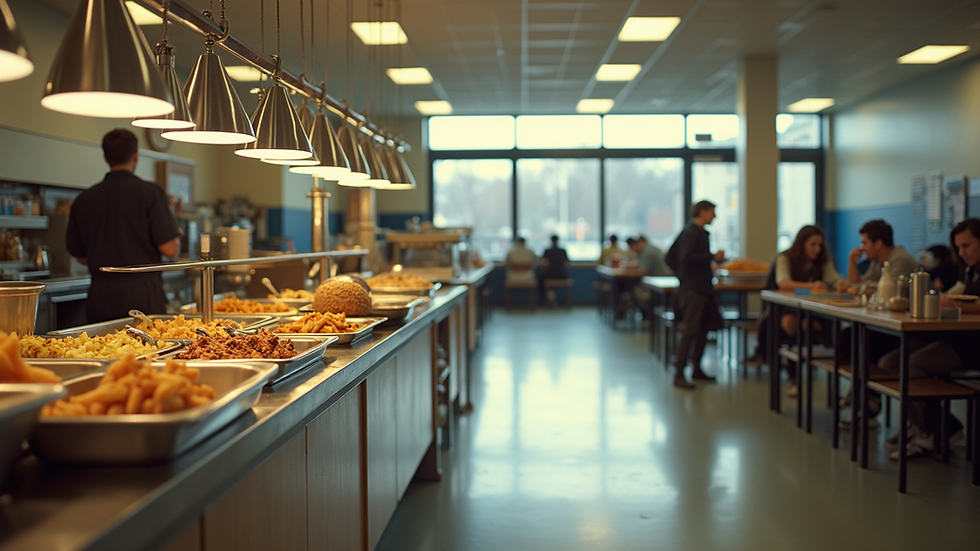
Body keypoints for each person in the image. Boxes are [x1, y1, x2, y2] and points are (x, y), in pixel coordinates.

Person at [877, 218, 980, 459]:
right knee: (890, 363)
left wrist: (955, 305)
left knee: (912, 365)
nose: (963, 253)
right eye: (959, 247)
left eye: (968, 246)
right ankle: (940, 426)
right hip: (954, 338)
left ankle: (927, 436)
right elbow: (958, 293)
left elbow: (963, 303)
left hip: (971, 346)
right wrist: (940, 299)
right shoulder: (970, 268)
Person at [67, 129, 181, 323]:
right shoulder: (150, 194)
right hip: (142, 297)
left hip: (100, 296)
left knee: (102, 351)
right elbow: (170, 249)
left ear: (105, 157)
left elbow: (81, 257)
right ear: (136, 155)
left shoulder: (83, 199)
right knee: (147, 352)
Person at [836, 219, 918, 430]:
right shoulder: (880, 261)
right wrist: (852, 262)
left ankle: (867, 400)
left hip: (909, 332)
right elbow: (859, 285)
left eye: (865, 243)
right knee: (849, 338)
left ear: (878, 243)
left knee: (856, 341)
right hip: (889, 324)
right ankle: (865, 397)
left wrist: (860, 288)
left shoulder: (899, 260)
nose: (862, 248)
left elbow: (880, 292)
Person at [747, 226, 843, 396]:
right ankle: (793, 376)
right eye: (812, 244)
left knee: (806, 325)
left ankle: (796, 375)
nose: (817, 249)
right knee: (789, 323)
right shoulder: (785, 257)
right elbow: (783, 283)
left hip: (815, 311)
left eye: (820, 245)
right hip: (789, 309)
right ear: (801, 244)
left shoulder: (822, 260)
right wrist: (812, 286)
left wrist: (844, 285)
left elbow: (834, 279)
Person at [664, 200, 725, 389]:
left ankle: (696, 368)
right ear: (703, 212)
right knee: (691, 330)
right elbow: (685, 257)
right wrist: (712, 257)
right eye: (712, 212)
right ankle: (679, 374)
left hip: (700, 287)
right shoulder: (692, 232)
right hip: (694, 289)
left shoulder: (695, 232)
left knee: (703, 328)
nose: (714, 216)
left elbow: (672, 257)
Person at [537, 234, 569, 305]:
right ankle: (552, 296)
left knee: (540, 278)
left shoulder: (548, 251)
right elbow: (567, 263)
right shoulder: (563, 251)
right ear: (558, 241)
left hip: (551, 273)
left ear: (551, 241)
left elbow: (544, 262)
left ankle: (549, 296)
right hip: (562, 274)